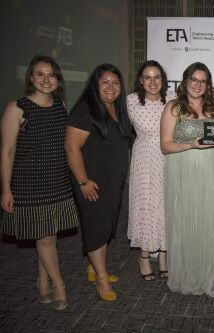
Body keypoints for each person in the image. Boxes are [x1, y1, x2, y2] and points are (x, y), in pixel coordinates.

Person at [0, 55, 79, 311]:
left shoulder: (60, 106)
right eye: (40, 74)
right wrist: (6, 188)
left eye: (52, 75)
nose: (46, 80)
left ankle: (42, 279)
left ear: (58, 80)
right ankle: (59, 285)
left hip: (57, 182)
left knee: (47, 236)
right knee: (44, 237)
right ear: (31, 78)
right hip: (29, 184)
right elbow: (7, 151)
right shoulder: (17, 108)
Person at [160, 62, 214, 297]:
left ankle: (206, 273)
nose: (198, 84)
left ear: (208, 85)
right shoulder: (173, 107)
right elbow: (166, 145)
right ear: (185, 81)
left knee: (206, 221)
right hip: (182, 171)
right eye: (194, 79)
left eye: (203, 81)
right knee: (184, 221)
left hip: (209, 171)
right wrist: (190, 144)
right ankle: (186, 274)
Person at [65, 63, 133, 302]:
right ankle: (101, 280)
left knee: (106, 225)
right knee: (95, 226)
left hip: (112, 181)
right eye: (105, 82)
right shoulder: (86, 109)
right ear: (95, 84)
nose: (111, 87)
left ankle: (95, 268)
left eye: (115, 83)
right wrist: (83, 181)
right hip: (91, 181)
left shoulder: (116, 108)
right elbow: (71, 147)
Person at [127, 60, 175, 281]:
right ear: (140, 80)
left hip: (168, 158)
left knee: (165, 206)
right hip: (144, 160)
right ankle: (144, 257)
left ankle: (163, 256)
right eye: (147, 77)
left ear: (163, 80)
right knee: (145, 206)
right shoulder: (131, 101)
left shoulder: (173, 100)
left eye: (157, 77)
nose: (152, 82)